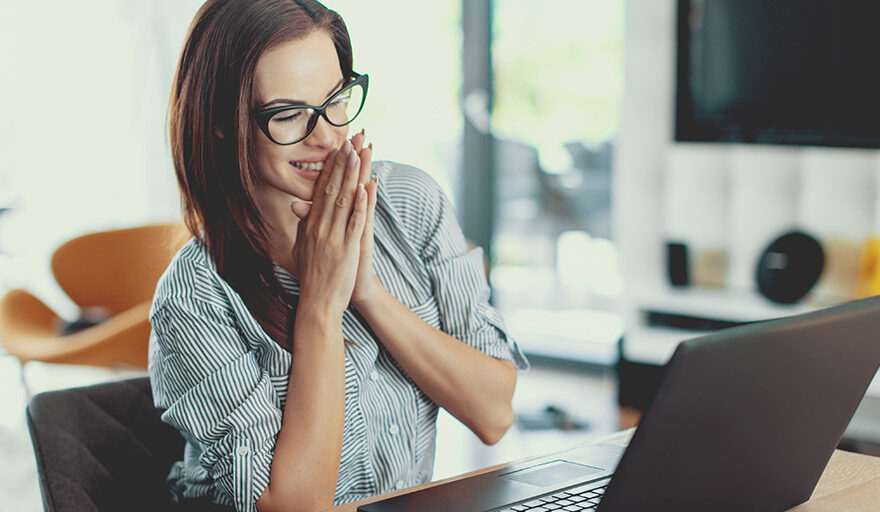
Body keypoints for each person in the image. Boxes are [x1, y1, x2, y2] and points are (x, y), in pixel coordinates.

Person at [148, 1, 529, 511]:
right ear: (219, 122)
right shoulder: (193, 297)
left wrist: (366, 291)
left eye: (336, 100)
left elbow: (494, 412)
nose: (328, 137)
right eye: (288, 114)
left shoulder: (412, 203)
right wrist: (322, 305)